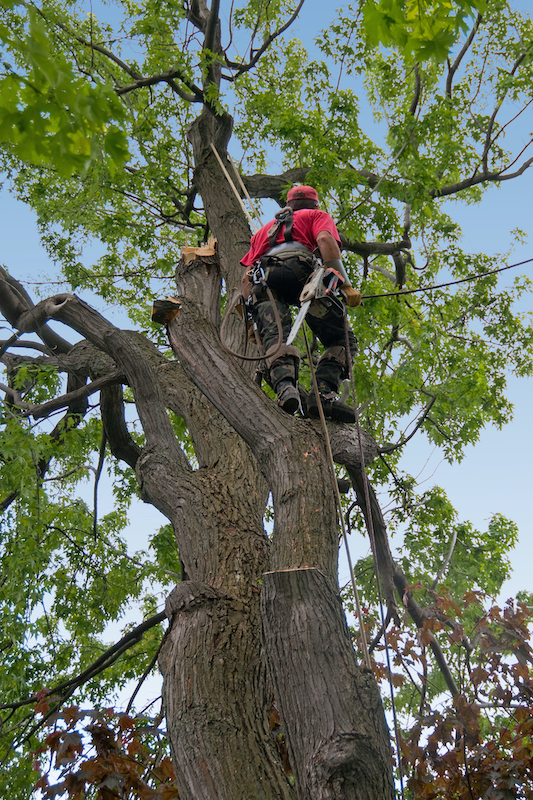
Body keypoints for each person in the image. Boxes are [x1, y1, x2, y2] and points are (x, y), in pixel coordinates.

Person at [240, 185, 361, 421]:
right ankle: (322, 395)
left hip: (264, 283)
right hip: (302, 276)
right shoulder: (316, 216)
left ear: (289, 205)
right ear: (315, 204)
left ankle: (285, 389)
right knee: (342, 340)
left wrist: (251, 323)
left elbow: (246, 277)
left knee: (275, 336)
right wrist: (345, 285)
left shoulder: (263, 231)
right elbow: (324, 239)